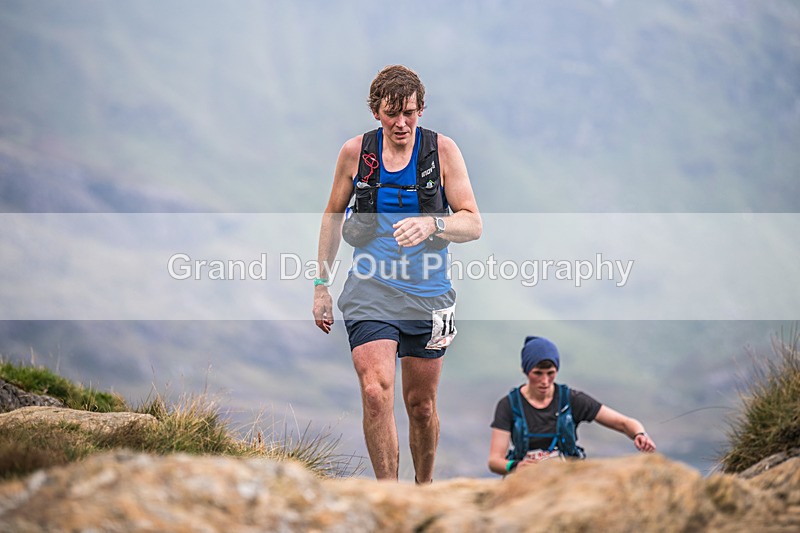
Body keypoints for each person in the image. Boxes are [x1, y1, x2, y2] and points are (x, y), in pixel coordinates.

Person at [313, 65, 482, 482]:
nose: (401, 123)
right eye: (392, 113)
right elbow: (333, 216)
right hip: (370, 289)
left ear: (421, 109)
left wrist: (433, 224)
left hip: (430, 294)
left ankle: (422, 492)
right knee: (375, 392)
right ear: (376, 112)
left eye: (409, 112)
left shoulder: (442, 152)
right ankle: (388, 497)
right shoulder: (355, 153)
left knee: (421, 406)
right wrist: (321, 285)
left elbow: (473, 223)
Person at [488, 336, 657, 476]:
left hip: (569, 478)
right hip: (525, 479)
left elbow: (623, 423)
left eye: (550, 373)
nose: (545, 381)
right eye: (537, 373)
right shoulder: (509, 405)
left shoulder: (571, 399)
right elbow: (495, 461)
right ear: (525, 371)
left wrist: (639, 434)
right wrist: (515, 466)